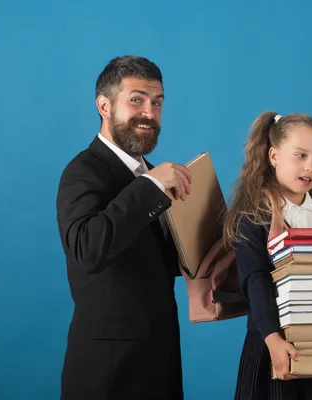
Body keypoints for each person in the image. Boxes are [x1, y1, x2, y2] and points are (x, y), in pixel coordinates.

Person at [56, 55, 192, 400]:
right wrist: (150, 186)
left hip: (159, 363)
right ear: (104, 105)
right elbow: (88, 250)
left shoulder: (155, 176)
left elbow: (149, 261)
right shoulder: (83, 171)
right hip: (109, 373)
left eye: (157, 102)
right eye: (137, 100)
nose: (150, 112)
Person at [222, 112, 312, 399]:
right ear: (274, 156)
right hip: (272, 343)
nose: (310, 167)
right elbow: (256, 280)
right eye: (300, 155)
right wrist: (273, 339)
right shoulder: (254, 215)